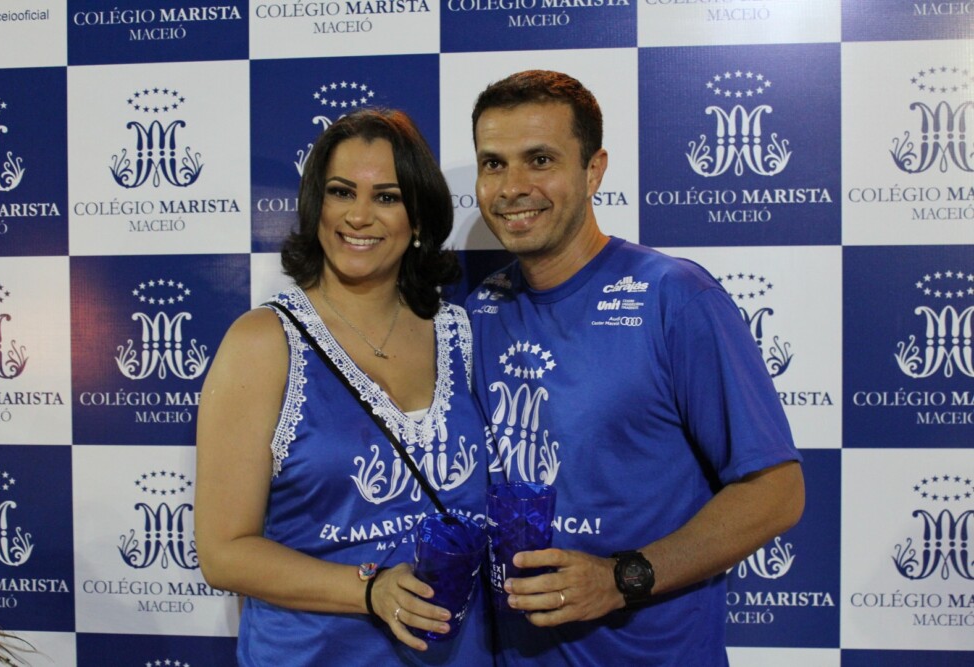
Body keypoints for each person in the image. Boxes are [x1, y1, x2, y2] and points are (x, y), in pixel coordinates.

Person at [465, 70, 805, 665]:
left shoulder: (675, 296)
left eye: (540, 160)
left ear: (593, 171)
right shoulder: (479, 310)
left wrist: (622, 578)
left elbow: (776, 493)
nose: (513, 186)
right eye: (494, 164)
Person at [195, 108, 493, 665]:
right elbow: (223, 553)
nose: (358, 215)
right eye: (341, 192)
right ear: (317, 206)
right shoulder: (263, 342)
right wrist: (369, 589)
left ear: (419, 219)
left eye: (387, 197)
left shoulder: (463, 332)